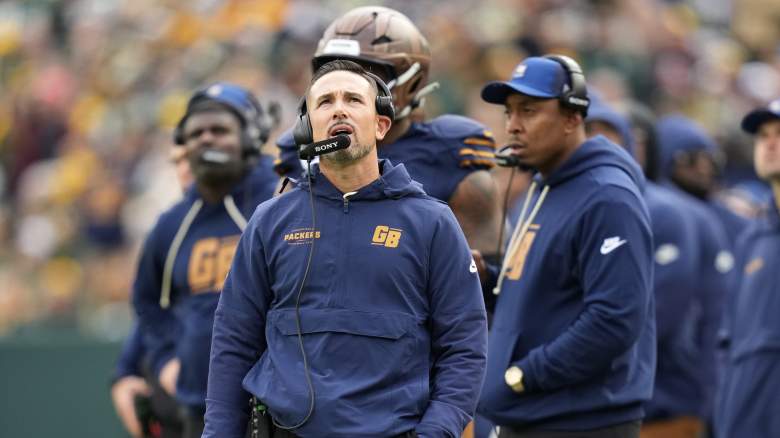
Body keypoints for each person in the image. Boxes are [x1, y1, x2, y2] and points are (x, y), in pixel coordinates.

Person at [203, 60, 488, 438]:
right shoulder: (269, 221)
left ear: (380, 124)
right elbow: (234, 340)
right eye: (325, 102)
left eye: (353, 99)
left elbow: (464, 347)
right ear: (308, 129)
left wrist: (436, 431)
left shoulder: (432, 223)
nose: (339, 108)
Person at [475, 55, 656, 438]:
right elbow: (547, 293)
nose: (513, 125)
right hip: (530, 415)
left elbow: (614, 319)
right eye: (509, 112)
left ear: (573, 118)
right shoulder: (541, 189)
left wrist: (524, 375)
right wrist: (488, 278)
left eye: (529, 110)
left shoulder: (607, 197)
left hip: (582, 421)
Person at [274, 6, 502, 267]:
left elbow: (491, 284)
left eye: (366, 73)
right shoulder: (301, 155)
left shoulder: (450, 157)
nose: (348, 84)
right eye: (334, 72)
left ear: (412, 83)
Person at [132, 82, 279, 438]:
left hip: (276, 409)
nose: (206, 140)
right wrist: (168, 359)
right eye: (196, 133)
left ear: (250, 136)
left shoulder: (282, 199)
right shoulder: (173, 224)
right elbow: (148, 302)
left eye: (220, 130)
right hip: (201, 411)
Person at [586, 101, 717, 438]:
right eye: (590, 133)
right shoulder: (562, 202)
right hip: (587, 399)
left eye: (610, 134)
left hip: (661, 401)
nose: (598, 143)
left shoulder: (665, 210)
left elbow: (661, 312)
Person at [715, 98, 780, 438]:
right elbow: (729, 343)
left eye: (779, 133)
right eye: (763, 135)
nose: (769, 143)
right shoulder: (751, 237)